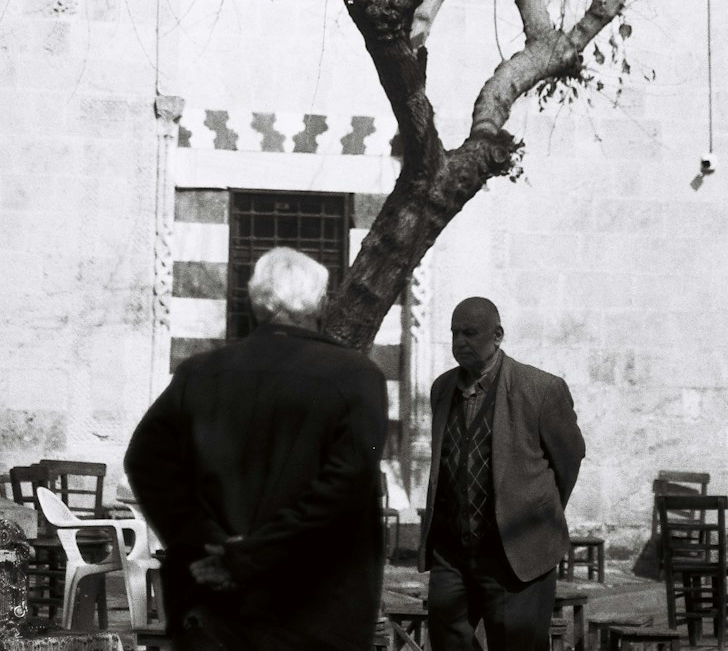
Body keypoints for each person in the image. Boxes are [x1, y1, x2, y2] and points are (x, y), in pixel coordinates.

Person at [124, 246, 389, 651]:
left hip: (212, 603)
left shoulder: (200, 374)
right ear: (320, 301)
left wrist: (208, 541)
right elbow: (343, 489)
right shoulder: (357, 377)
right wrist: (250, 556)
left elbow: (146, 461)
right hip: (313, 608)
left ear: (256, 301)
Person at [419, 296, 586, 651]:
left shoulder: (540, 389)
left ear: (497, 335)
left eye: (469, 333)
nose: (459, 342)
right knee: (446, 636)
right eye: (454, 334)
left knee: (516, 643)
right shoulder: (442, 389)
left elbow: (569, 460)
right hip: (453, 550)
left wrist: (535, 510)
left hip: (516, 552)